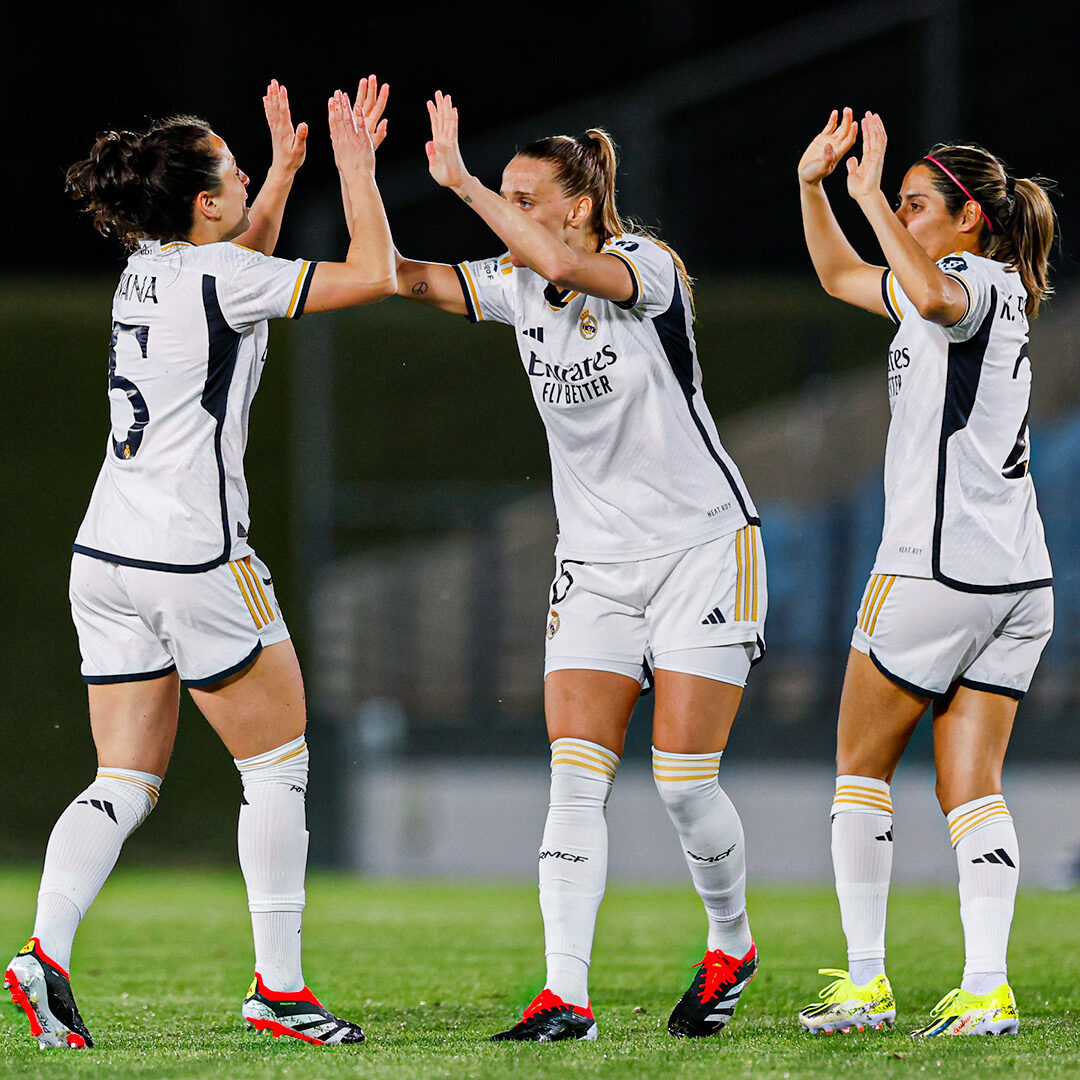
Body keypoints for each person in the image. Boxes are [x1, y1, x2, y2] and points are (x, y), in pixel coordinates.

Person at [3, 81, 397, 1049]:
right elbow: (376, 271)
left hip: (105, 553)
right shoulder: (219, 274)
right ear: (203, 204)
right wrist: (352, 167)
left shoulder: (148, 263)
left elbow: (232, 265)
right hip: (195, 553)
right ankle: (280, 989)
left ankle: (43, 952)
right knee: (278, 768)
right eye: (236, 169)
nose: (248, 174)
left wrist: (282, 176)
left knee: (123, 779)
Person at [373, 81, 766, 1041]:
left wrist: (464, 181)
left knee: (682, 783)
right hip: (594, 566)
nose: (510, 209)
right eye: (502, 192)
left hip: (705, 549)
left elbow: (558, 261)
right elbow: (395, 273)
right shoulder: (518, 286)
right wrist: (354, 168)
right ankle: (565, 998)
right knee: (575, 779)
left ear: (578, 206)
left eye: (524, 193)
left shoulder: (645, 264)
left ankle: (732, 941)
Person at [795, 109, 1057, 1037]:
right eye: (898, 204)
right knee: (970, 785)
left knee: (859, 771)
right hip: (1018, 582)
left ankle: (865, 982)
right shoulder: (974, 284)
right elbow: (835, 274)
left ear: (968, 219)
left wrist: (862, 194)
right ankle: (986, 987)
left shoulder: (968, 283)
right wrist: (812, 186)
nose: (901, 218)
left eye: (915, 205)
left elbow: (939, 300)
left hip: (935, 570)